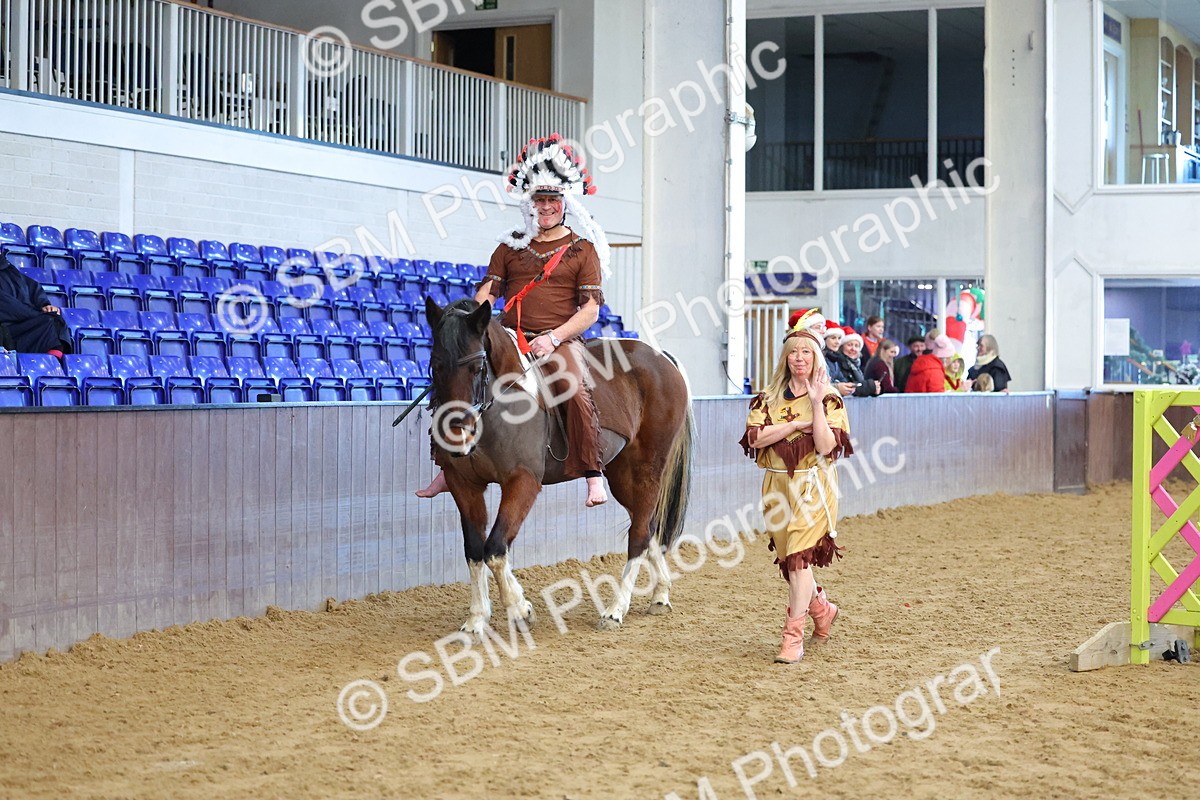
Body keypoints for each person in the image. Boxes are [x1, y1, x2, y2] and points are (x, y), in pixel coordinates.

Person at [417, 133, 610, 507]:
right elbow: (488, 292)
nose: (547, 206)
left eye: (553, 199)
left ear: (565, 203)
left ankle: (591, 471)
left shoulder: (583, 250)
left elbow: (590, 310)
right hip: (507, 334)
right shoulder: (509, 247)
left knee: (574, 386)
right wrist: (475, 321)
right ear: (530, 203)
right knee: (454, 377)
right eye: (540, 199)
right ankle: (448, 465)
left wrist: (553, 339)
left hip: (558, 339)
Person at [739, 327, 851, 664]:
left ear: (816, 358)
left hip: (812, 485)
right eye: (793, 352)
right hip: (776, 485)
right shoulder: (767, 398)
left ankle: (792, 637)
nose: (799, 358)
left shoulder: (829, 398)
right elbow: (756, 438)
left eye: (806, 352)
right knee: (791, 563)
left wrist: (815, 406)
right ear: (785, 357)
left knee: (801, 558)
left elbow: (827, 445)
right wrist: (791, 427)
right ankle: (822, 608)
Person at [0, 254, 72, 357]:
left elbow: (32, 287)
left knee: (56, 320)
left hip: (27, 322)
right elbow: (9, 307)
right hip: (7, 331)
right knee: (49, 321)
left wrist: (45, 305)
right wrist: (38, 315)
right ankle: (52, 363)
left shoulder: (9, 268)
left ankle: (55, 364)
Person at [835, 330, 880, 397]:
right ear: (842, 347)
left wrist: (874, 389)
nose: (853, 349)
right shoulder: (838, 363)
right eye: (849, 345)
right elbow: (849, 387)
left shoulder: (857, 365)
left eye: (856, 346)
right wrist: (871, 386)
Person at [821, 325, 856, 397]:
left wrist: (848, 386)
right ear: (824, 339)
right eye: (833, 338)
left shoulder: (835, 358)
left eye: (839, 338)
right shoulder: (820, 358)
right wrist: (837, 387)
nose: (837, 342)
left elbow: (842, 379)